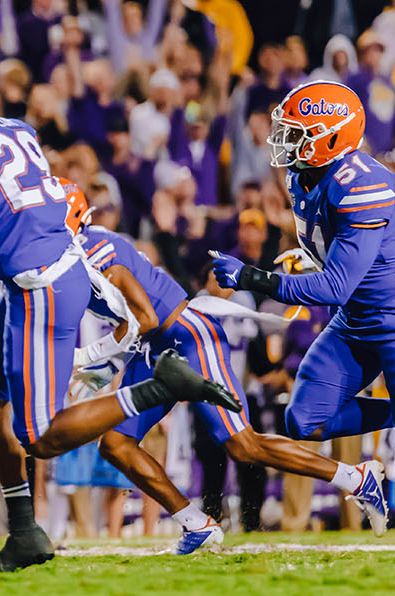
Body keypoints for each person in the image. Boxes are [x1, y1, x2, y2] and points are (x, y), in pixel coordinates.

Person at [0, 49, 237, 570]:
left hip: (40, 285)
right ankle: (26, 532)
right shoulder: (13, 128)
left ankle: (161, 385)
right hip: (50, 270)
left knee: (41, 436)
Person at [48, 181, 387, 552]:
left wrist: (89, 359)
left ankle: (356, 478)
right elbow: (132, 322)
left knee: (243, 446)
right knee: (115, 444)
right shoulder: (79, 253)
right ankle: (196, 524)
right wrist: (101, 369)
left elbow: (142, 318)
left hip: (189, 337)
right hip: (156, 345)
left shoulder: (97, 255)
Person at [211, 80, 394, 532]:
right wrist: (309, 256)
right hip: (357, 321)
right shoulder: (304, 176)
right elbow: (338, 258)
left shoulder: (361, 183)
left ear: (333, 137)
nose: (287, 141)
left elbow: (334, 285)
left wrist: (253, 277)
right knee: (304, 419)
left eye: (298, 133)